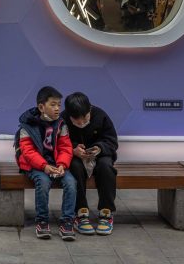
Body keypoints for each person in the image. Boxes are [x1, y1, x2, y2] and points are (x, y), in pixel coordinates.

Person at [15, 86, 77, 241]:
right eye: (53, 105)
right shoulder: (27, 126)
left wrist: (62, 165)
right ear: (41, 107)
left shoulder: (61, 124)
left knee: (71, 182)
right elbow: (28, 152)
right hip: (35, 165)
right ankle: (42, 221)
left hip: (56, 164)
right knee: (43, 182)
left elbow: (66, 147)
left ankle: (67, 221)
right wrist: (44, 167)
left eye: (59, 105)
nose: (57, 109)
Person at [62, 92, 119, 236]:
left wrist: (99, 148)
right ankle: (80, 213)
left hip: (100, 156)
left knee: (106, 167)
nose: (81, 123)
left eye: (85, 118)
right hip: (75, 157)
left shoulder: (101, 116)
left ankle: (106, 213)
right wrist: (73, 150)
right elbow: (58, 143)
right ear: (69, 115)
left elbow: (112, 141)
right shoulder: (62, 120)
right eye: (77, 120)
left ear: (90, 110)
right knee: (74, 167)